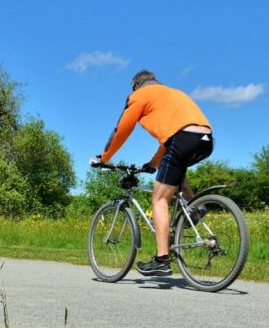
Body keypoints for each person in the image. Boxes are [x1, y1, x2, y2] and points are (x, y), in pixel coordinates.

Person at [90, 70, 214, 277]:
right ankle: (194, 207)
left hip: (182, 139)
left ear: (136, 86)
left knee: (159, 199)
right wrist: (152, 164)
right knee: (175, 175)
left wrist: (104, 158)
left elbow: (122, 129)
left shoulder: (140, 95)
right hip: (205, 139)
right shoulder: (172, 94)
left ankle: (162, 259)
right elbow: (169, 140)